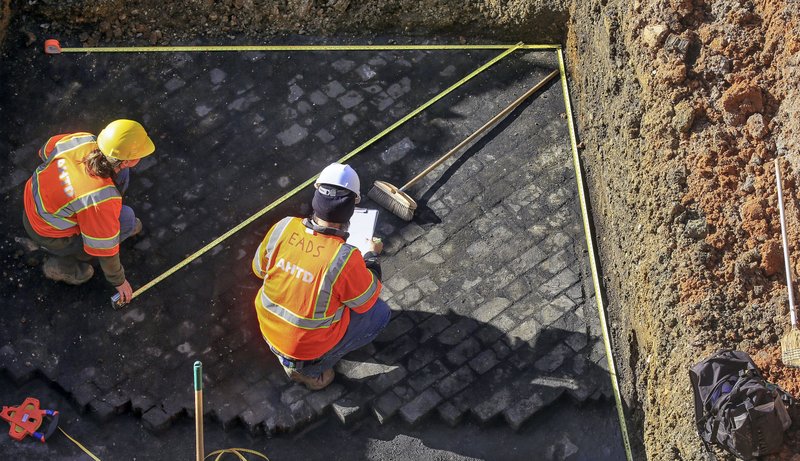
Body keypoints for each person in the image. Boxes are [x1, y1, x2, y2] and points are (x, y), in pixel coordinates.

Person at [252, 163, 391, 390]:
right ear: (350, 210)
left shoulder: (284, 227)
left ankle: (294, 359)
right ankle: (308, 369)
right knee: (379, 314)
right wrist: (371, 258)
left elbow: (259, 269)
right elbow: (366, 301)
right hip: (301, 349)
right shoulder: (344, 258)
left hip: (268, 327)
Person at [22, 119, 155, 304]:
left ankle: (105, 219)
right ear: (128, 160)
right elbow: (105, 249)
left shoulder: (83, 140)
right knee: (126, 220)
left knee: (121, 177)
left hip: (35, 207)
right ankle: (68, 264)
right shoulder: (97, 198)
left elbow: (45, 151)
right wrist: (119, 281)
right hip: (50, 235)